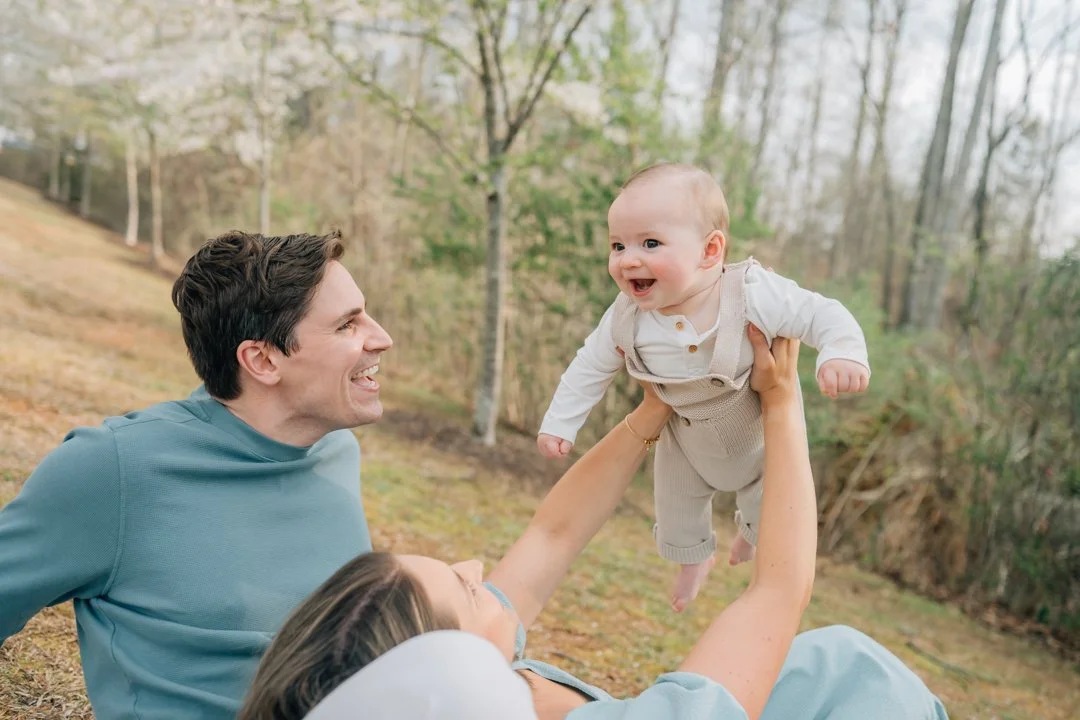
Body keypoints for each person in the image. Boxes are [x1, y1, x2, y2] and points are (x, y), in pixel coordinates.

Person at [239, 329, 948, 720]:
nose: (480, 569)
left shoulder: (488, 690)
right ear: (437, 671)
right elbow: (778, 589)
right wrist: (782, 401)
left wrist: (651, 414)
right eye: (463, 587)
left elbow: (553, 534)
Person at [0, 230, 392, 718]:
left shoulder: (337, 450)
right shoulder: (115, 470)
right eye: (348, 326)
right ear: (263, 360)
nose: (382, 338)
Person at [537, 162, 871, 611]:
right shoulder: (625, 316)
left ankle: (749, 540)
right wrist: (561, 422)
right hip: (685, 440)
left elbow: (819, 313)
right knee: (675, 511)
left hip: (757, 438)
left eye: (650, 243)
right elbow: (589, 367)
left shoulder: (750, 291)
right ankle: (695, 561)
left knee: (767, 507)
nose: (628, 258)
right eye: (618, 245)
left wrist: (842, 351)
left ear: (710, 251)